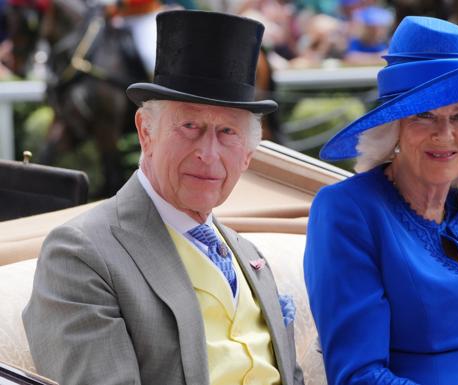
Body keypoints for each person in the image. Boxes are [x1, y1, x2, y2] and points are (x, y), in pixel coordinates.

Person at [23, 10, 304, 385]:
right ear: (146, 131)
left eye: (227, 132)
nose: (209, 152)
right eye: (190, 126)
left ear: (250, 153)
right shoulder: (80, 255)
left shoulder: (249, 256)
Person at [304, 16, 458, 385]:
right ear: (393, 129)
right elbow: (360, 375)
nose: (446, 135)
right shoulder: (348, 210)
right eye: (424, 116)